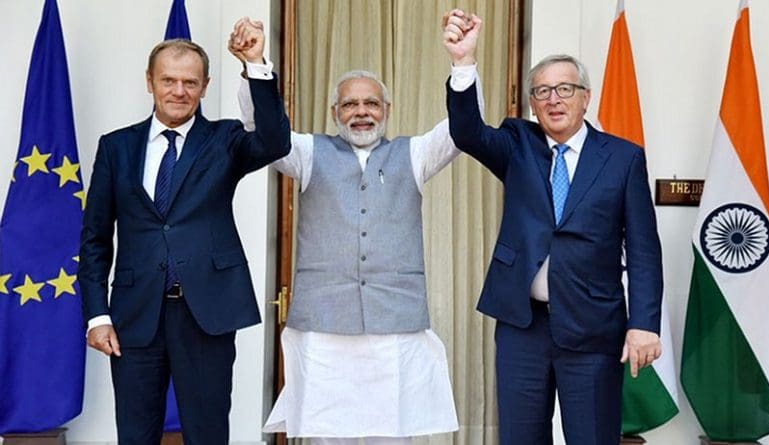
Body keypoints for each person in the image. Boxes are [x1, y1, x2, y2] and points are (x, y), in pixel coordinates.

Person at [229, 16, 483, 445]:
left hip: (394, 328)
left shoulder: (415, 154)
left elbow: (463, 132)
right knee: (328, 436)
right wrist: (256, 63)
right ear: (335, 113)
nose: (361, 112)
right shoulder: (308, 153)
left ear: (386, 111)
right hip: (324, 329)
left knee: (392, 435)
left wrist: (463, 63)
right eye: (350, 105)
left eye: (371, 104)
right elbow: (263, 131)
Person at [442, 11, 663, 445]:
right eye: (542, 92)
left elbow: (643, 250)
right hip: (523, 327)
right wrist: (463, 62)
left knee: (592, 438)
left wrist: (644, 324)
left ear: (586, 98)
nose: (553, 100)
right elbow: (467, 132)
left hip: (593, 326)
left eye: (565, 89)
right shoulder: (516, 144)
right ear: (532, 104)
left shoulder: (622, 158)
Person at [78, 27, 291, 444]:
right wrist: (97, 314)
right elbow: (95, 238)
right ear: (150, 82)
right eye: (169, 80)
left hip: (206, 313)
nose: (179, 91)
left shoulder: (225, 140)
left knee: (207, 434)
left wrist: (255, 65)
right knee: (136, 434)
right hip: (135, 315)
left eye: (190, 82)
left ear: (205, 87)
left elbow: (274, 141)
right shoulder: (116, 147)